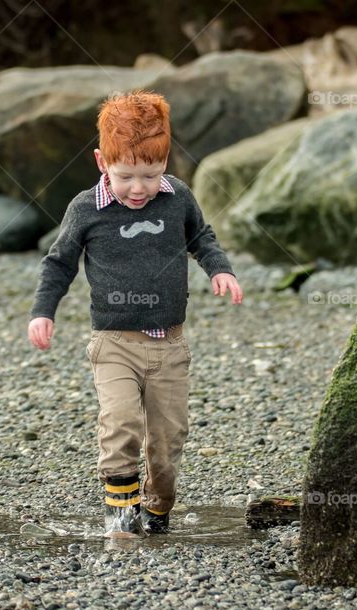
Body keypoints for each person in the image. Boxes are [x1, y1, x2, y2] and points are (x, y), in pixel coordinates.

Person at [28, 89, 242, 536]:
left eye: (151, 173)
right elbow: (60, 262)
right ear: (102, 162)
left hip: (170, 345)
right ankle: (121, 525)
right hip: (114, 342)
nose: (140, 188)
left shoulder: (177, 197)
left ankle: (158, 509)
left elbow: (201, 236)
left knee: (167, 445)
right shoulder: (86, 209)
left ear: (166, 162)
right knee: (120, 423)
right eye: (127, 176)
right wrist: (43, 311)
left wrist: (219, 270)